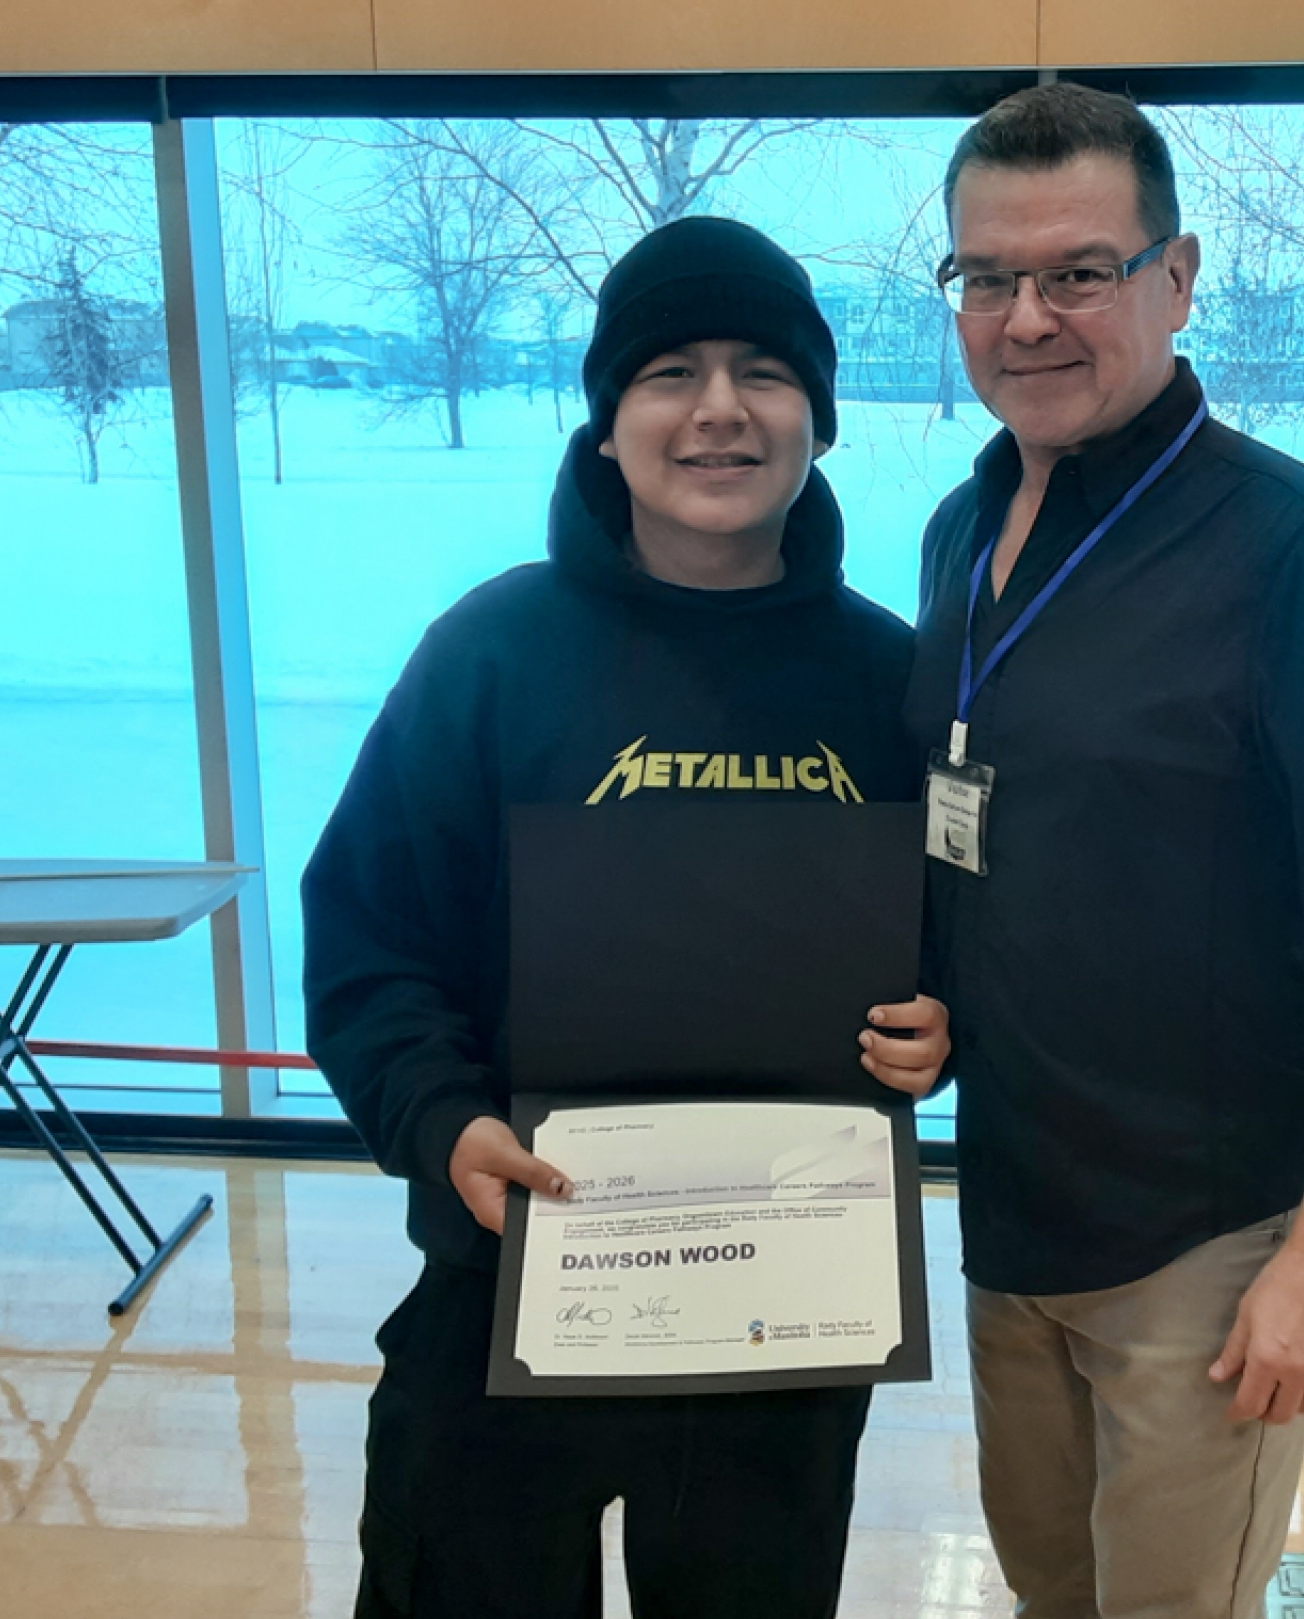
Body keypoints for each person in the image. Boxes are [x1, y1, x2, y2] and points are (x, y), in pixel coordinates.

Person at [304, 215, 950, 1619]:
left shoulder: (889, 678)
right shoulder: (490, 654)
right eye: (670, 370)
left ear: (817, 421)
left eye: (763, 371)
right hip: (507, 1277)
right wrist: (439, 1118)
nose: (718, 409)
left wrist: (938, 1027)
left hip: (784, 1306)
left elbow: (957, 939)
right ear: (608, 423)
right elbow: (368, 936)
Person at [907, 84, 1304, 1618]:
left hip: (1207, 1243)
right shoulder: (962, 534)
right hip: (1012, 1211)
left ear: (1179, 275)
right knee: (1049, 1597)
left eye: (1080, 271)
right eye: (988, 278)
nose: (1029, 318)